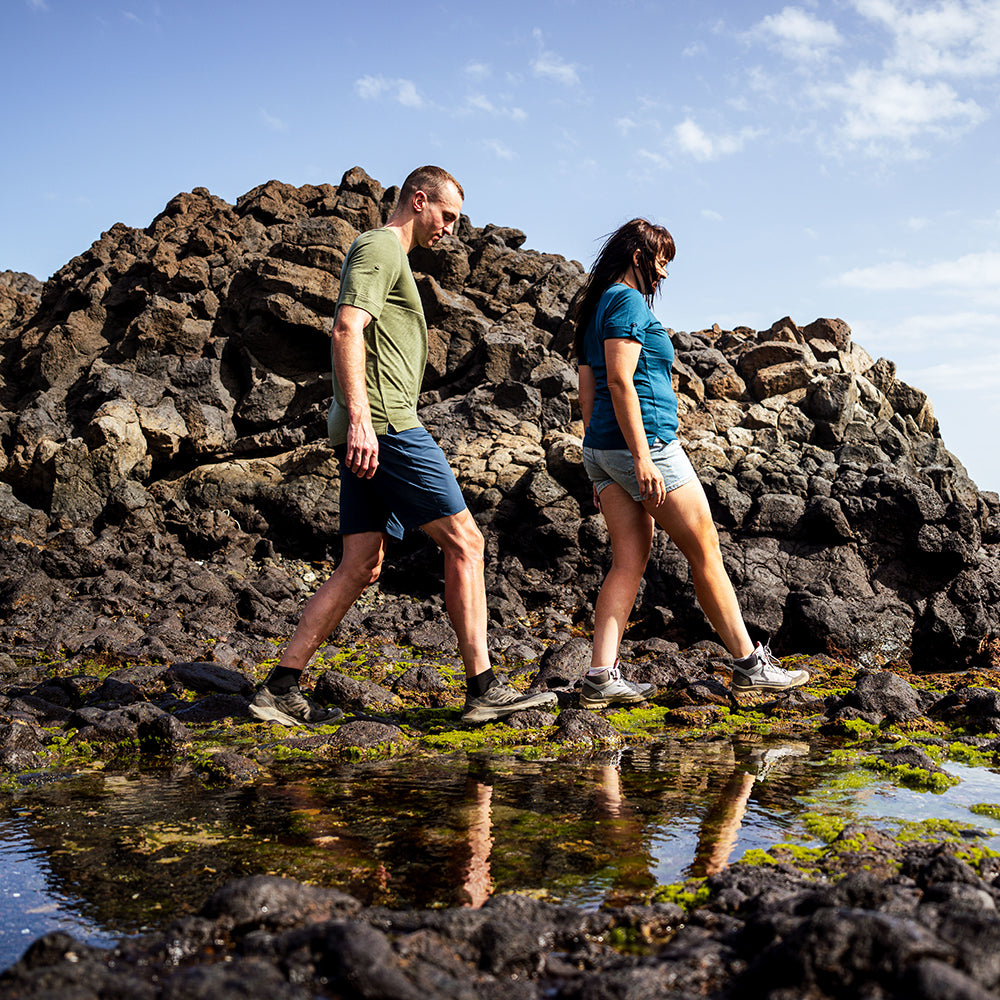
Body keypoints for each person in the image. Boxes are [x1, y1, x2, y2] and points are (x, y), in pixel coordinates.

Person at [250, 165, 557, 727]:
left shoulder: (393, 259)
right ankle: (483, 690)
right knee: (466, 542)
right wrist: (364, 421)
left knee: (361, 564)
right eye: (447, 216)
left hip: (371, 427)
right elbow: (347, 328)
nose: (450, 230)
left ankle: (279, 688)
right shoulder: (381, 248)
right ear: (419, 200)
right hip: (387, 425)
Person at [573, 218, 809, 708]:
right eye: (661, 260)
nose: (664, 272)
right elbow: (618, 381)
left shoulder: (596, 306)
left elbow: (587, 386)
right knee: (706, 551)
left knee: (629, 562)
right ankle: (750, 666)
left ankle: (600, 675)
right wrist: (640, 459)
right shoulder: (626, 301)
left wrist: (596, 461)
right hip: (647, 446)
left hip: (602, 449)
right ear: (638, 255)